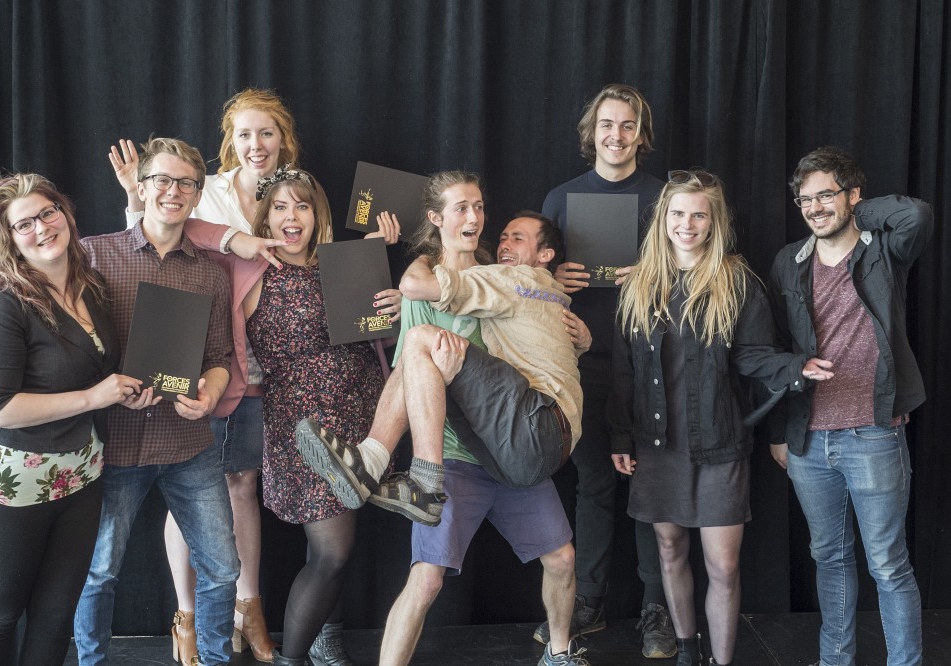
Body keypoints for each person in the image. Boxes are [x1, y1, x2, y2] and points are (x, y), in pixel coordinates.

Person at [298, 171, 590, 666]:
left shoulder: (498, 274)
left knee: (562, 558)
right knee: (426, 580)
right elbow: (409, 376)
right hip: (455, 454)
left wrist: (580, 334)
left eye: (479, 207)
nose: (474, 217)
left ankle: (560, 653)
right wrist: (416, 295)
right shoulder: (420, 285)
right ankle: (415, 476)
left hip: (509, 437)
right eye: (461, 208)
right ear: (437, 218)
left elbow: (539, 344)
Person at [107, 87, 301, 664]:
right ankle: (187, 616)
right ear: (230, 141)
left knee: (244, 483)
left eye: (266, 132)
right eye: (244, 134)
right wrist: (234, 236)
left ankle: (248, 608)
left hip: (265, 364)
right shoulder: (204, 188)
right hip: (201, 359)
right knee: (189, 490)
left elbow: (312, 258)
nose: (256, 144)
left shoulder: (292, 192)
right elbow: (160, 233)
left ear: (283, 139)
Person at [610, 169, 827, 666]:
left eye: (699, 215)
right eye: (678, 214)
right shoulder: (638, 285)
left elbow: (754, 356)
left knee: (724, 566)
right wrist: (620, 436)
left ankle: (721, 661)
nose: (687, 225)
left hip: (719, 443)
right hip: (656, 444)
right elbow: (625, 372)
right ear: (663, 219)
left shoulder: (737, 282)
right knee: (669, 550)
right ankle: (688, 652)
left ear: (714, 222)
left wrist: (796, 368)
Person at [186, 165, 398, 666]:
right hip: (303, 429)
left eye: (302, 205)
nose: (291, 216)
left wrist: (388, 294)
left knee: (335, 548)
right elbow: (186, 232)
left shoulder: (340, 263)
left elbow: (377, 335)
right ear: (264, 217)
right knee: (332, 552)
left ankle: (325, 641)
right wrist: (236, 239)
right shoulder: (248, 270)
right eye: (280, 206)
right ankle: (292, 660)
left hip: (361, 417)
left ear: (317, 213)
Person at [0, 174, 151, 665]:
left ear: (64, 213)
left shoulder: (92, 289)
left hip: (81, 478)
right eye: (24, 224)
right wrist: (93, 397)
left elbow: (97, 375)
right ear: (10, 240)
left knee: (54, 618)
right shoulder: (7, 306)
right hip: (15, 484)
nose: (42, 227)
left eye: (48, 213)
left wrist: (121, 396)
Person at [297, 209, 589, 520]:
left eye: (517, 239)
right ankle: (370, 461)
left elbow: (414, 283)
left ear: (545, 255)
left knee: (421, 339)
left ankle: (413, 477)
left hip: (536, 426)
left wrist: (427, 255)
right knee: (416, 354)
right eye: (503, 238)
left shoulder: (513, 277)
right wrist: (586, 341)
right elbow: (557, 348)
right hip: (528, 459)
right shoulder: (554, 294)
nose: (504, 244)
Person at [73, 137, 240, 666]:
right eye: (162, 180)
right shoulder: (92, 255)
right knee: (98, 572)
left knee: (224, 570)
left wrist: (211, 392)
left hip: (189, 443)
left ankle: (215, 659)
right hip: (114, 446)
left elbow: (219, 355)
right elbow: (51, 328)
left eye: (186, 183)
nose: (173, 191)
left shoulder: (210, 273)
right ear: (141, 188)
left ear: (198, 195)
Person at [767, 146, 931, 666]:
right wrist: (779, 431)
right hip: (809, 438)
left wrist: (856, 212)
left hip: (873, 434)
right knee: (829, 558)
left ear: (854, 194)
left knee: (887, 564)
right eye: (805, 200)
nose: (815, 208)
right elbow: (778, 351)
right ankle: (834, 660)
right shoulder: (789, 261)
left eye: (826, 196)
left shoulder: (883, 249)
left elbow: (916, 214)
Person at [541, 82, 672, 656]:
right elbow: (526, 276)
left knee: (651, 487)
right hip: (584, 364)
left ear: (641, 136)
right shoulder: (561, 198)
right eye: (606, 125)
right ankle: (588, 602)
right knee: (593, 484)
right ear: (590, 134)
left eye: (627, 126)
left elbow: (698, 270)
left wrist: (656, 274)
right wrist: (552, 277)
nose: (615, 136)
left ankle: (658, 610)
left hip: (654, 364)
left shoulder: (665, 197)